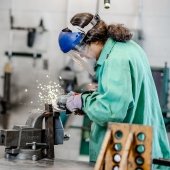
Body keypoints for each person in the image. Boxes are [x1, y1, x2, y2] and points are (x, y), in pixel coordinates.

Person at [58, 12, 170, 167]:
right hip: (142, 147)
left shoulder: (115, 60)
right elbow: (125, 99)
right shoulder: (127, 47)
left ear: (91, 41)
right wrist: (95, 99)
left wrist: (82, 101)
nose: (82, 56)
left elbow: (111, 111)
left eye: (80, 51)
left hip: (128, 154)